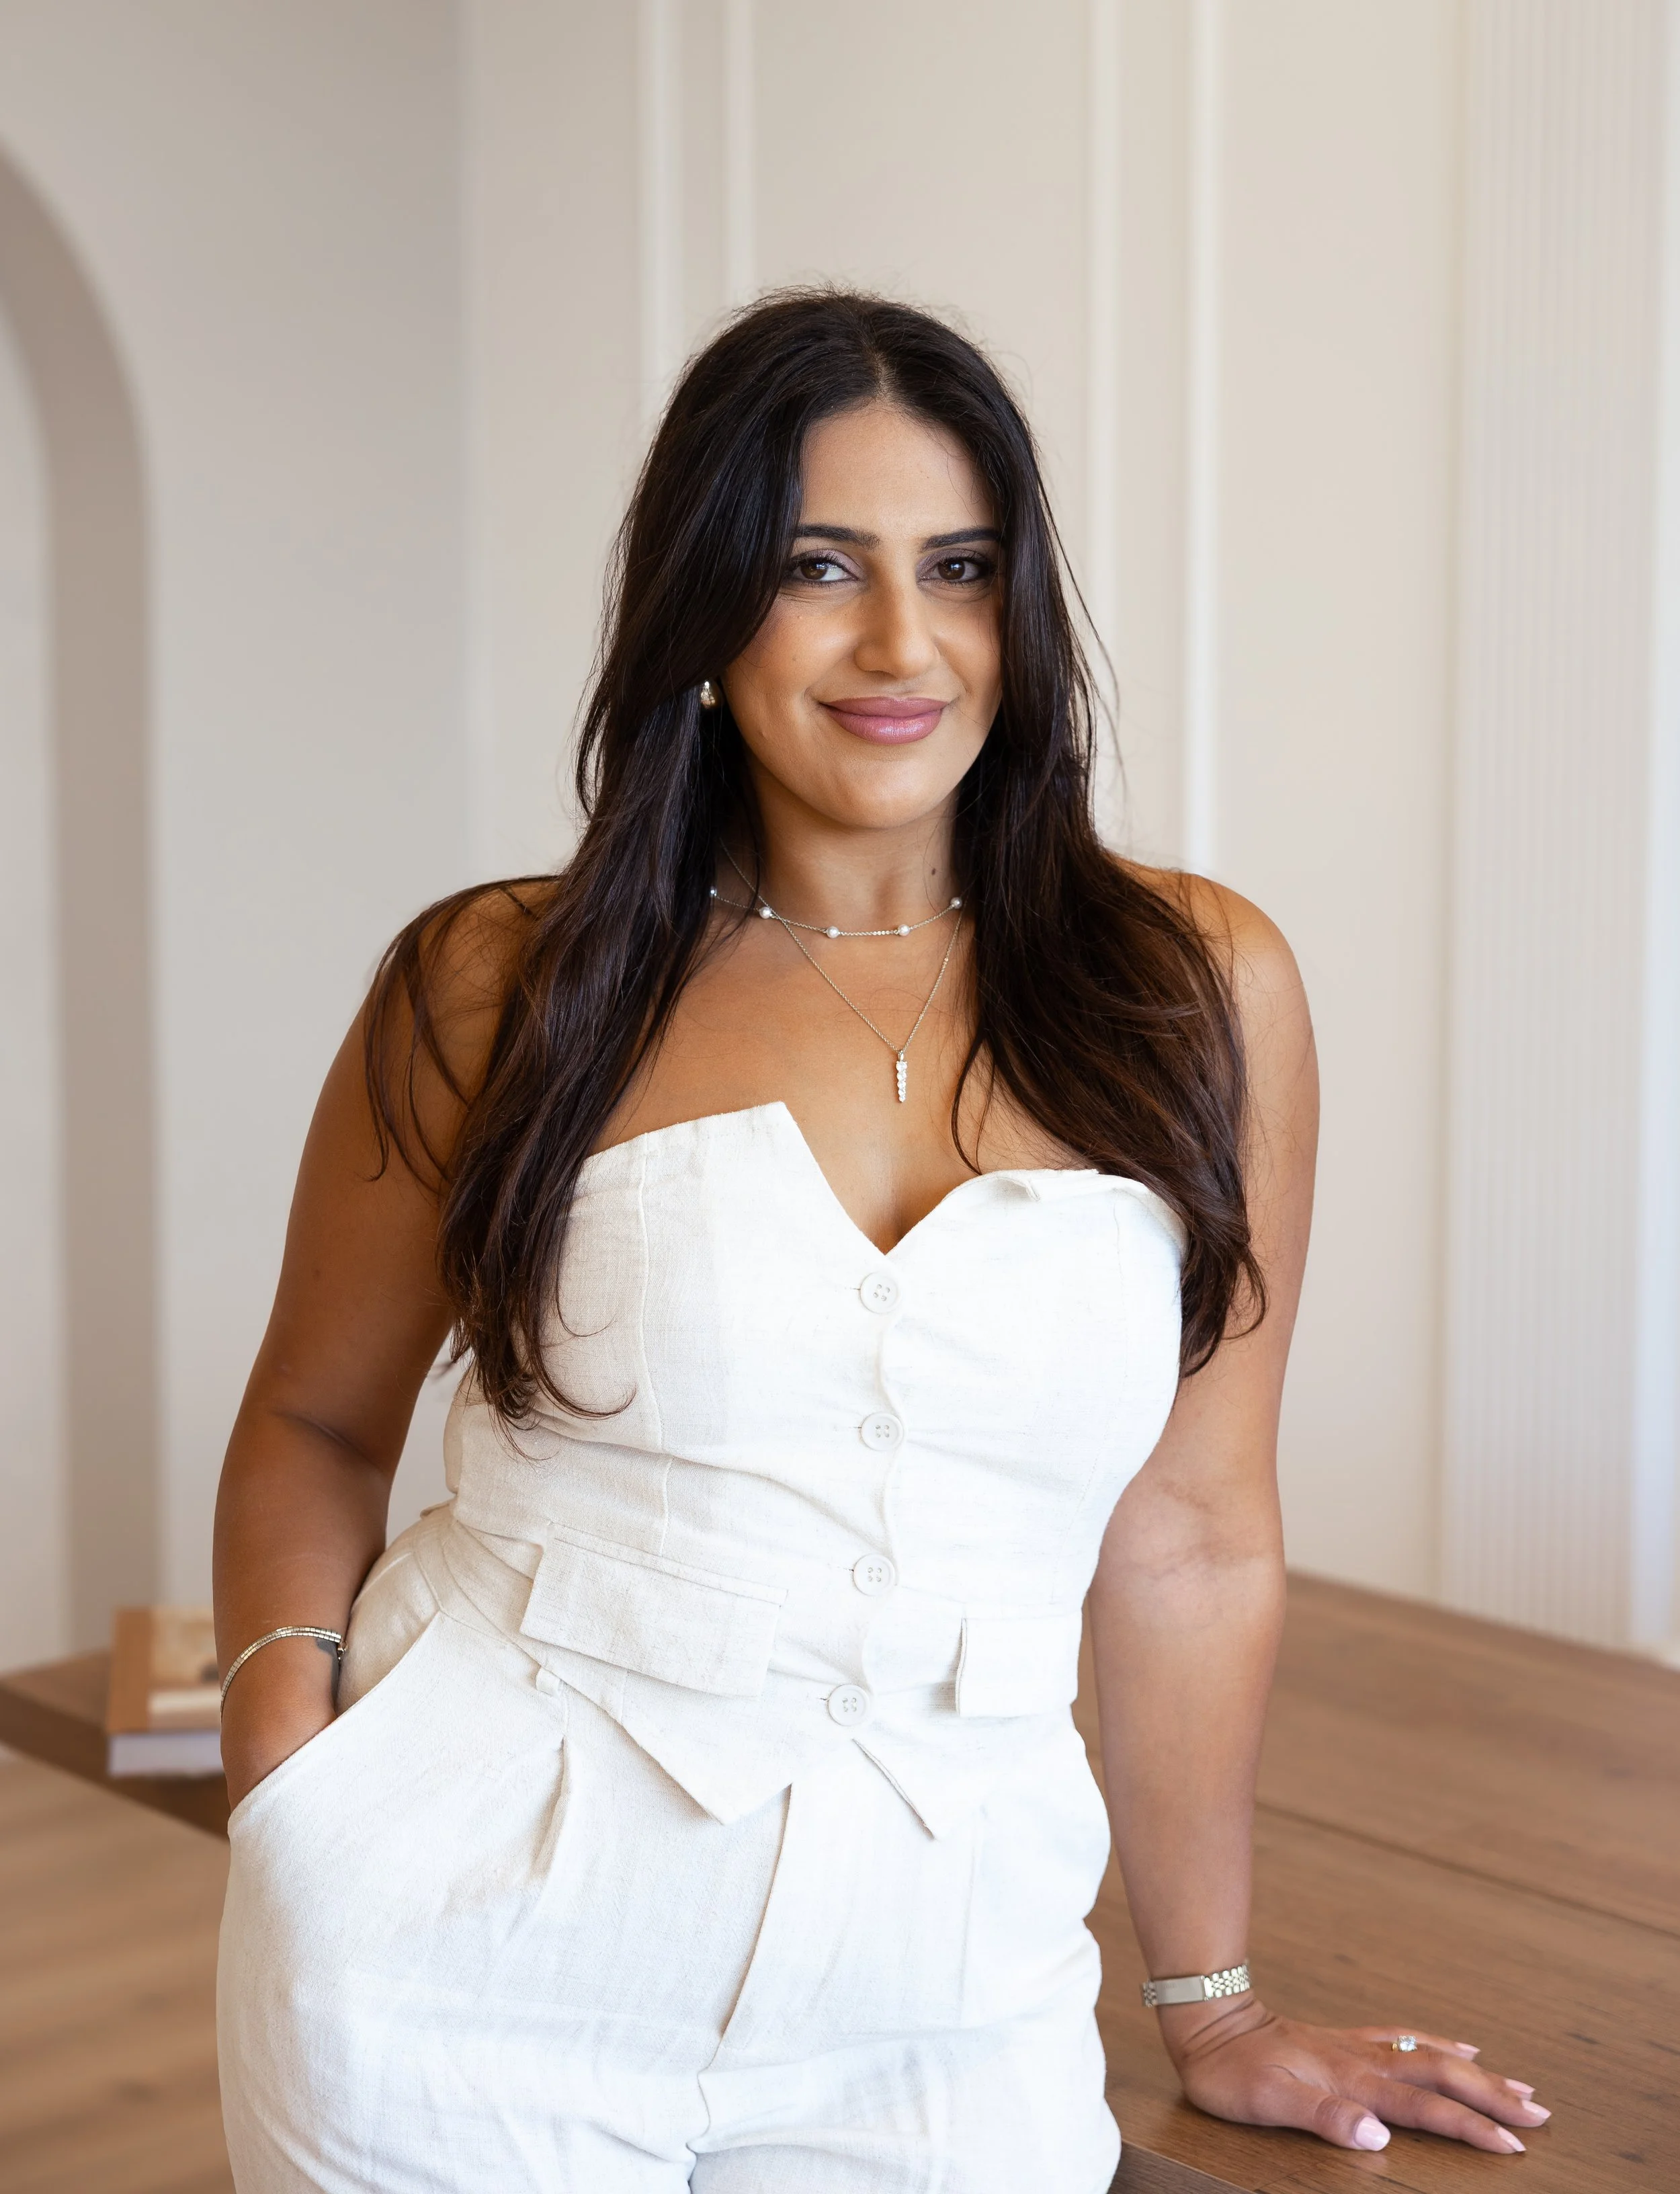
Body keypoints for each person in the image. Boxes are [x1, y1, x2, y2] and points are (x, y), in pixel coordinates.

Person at [212, 290, 1544, 2192]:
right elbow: (316, 1426)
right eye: (816, 565)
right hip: (455, 1935)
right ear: (700, 608)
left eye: (962, 569)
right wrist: (291, 1764)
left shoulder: (1197, 987)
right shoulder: (498, 980)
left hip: (951, 1976)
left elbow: (1188, 1534)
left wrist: (1214, 2006)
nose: (899, 643)